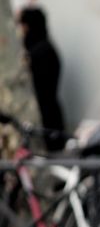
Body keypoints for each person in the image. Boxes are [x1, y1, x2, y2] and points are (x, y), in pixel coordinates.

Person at [18, 8, 65, 152]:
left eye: (22, 25)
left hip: (44, 123)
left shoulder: (39, 52)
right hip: (49, 119)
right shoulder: (45, 48)